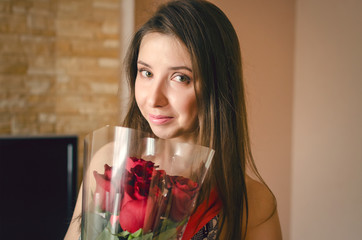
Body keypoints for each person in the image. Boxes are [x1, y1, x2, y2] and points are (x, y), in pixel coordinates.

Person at [65, 0, 282, 239]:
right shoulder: (109, 165)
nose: (153, 99)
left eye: (180, 78)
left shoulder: (253, 202)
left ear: (218, 87)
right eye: (146, 73)